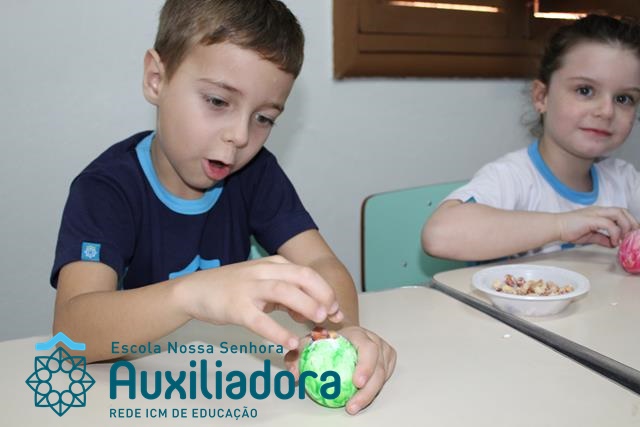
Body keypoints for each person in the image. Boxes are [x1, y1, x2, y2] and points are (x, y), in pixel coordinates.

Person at [50, 0, 395, 414]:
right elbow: (72, 332)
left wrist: (343, 331)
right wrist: (192, 295)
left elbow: (322, 265)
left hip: (226, 384)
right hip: (130, 393)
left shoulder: (256, 175)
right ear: (156, 79)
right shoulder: (106, 190)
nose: (240, 136)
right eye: (217, 101)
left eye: (263, 118)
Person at [422, 14, 640, 262]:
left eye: (624, 98)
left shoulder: (624, 180)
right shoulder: (511, 178)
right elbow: (439, 236)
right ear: (541, 97)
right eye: (585, 90)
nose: (607, 111)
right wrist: (561, 225)